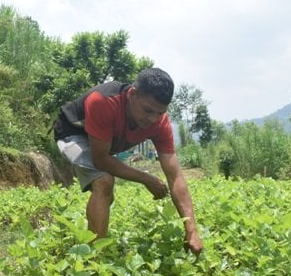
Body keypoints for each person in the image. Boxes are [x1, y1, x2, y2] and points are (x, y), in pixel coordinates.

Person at [53, 67, 203, 255]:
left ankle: (95, 232)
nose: (152, 119)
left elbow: (175, 176)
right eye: (148, 110)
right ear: (132, 94)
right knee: (103, 181)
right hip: (73, 131)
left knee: (105, 191)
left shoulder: (160, 123)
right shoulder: (103, 102)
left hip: (106, 141)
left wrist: (192, 231)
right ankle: (94, 260)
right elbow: (101, 160)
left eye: (159, 112)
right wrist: (147, 179)